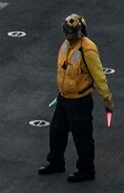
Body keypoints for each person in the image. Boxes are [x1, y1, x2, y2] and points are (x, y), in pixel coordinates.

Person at [39, 13, 113, 182]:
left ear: (80, 31)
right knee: (56, 130)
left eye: (70, 32)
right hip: (64, 98)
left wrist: (106, 98)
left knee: (82, 136)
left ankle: (87, 169)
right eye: (65, 31)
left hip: (80, 101)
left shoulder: (88, 49)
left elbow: (99, 75)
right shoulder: (66, 45)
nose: (67, 35)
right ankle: (56, 162)